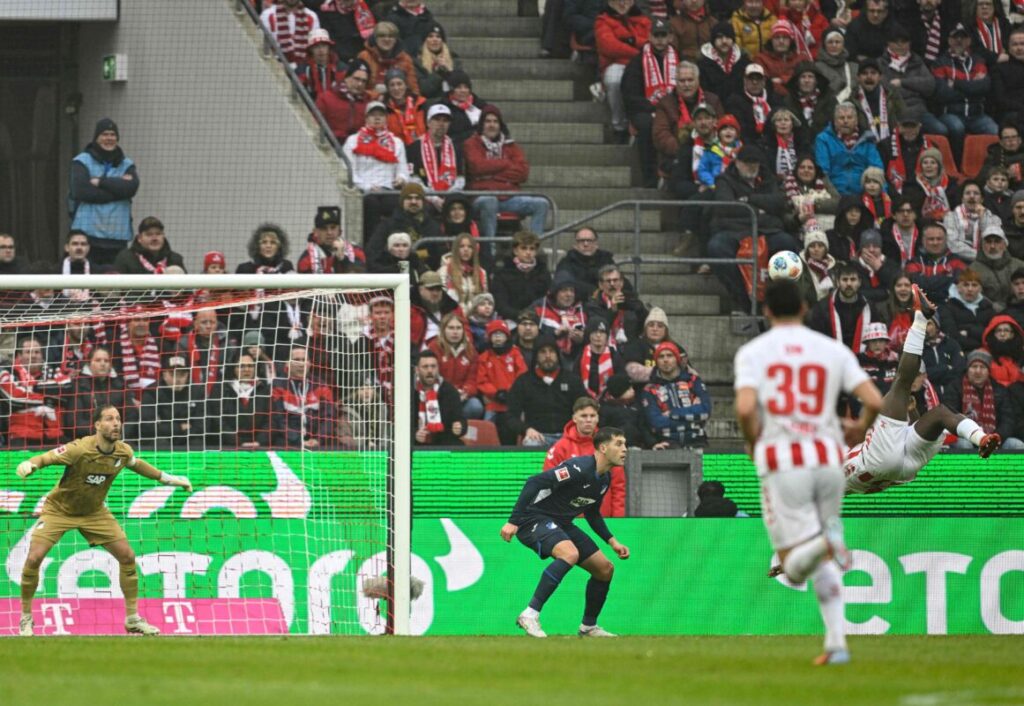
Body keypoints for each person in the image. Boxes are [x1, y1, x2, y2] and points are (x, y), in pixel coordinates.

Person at [734, 278, 884, 665]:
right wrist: (860, 428)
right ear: (805, 308)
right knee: (823, 559)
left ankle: (826, 542)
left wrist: (753, 443)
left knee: (792, 565)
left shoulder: (754, 352)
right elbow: (873, 400)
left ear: (766, 311)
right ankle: (836, 645)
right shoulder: (832, 349)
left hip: (784, 461)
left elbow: (747, 409)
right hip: (829, 458)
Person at [14, 404, 192, 636]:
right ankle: (26, 618)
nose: (116, 423)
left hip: (94, 513)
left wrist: (171, 479)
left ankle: (132, 619)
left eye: (118, 418)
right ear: (97, 425)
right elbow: (46, 457)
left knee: (127, 556)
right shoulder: (79, 449)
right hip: (59, 510)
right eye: (109, 419)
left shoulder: (122, 451)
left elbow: (139, 466)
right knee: (34, 558)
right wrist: (31, 464)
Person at [841, 288, 1004, 490]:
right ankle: (920, 318)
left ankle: (981, 438)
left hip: (901, 471)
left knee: (940, 414)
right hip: (876, 462)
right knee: (902, 383)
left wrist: (910, 411)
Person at [500, 427, 630, 638]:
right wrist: (513, 521)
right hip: (533, 518)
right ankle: (530, 614)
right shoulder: (578, 467)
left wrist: (612, 542)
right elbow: (534, 482)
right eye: (619, 444)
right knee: (569, 554)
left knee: (604, 569)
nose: (625, 449)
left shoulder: (604, 479)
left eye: (625, 444)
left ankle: (588, 627)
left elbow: (592, 513)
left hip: (561, 523)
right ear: (603, 447)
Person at [707, 144, 800, 312]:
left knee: (787, 245)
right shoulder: (724, 179)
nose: (751, 166)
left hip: (768, 230)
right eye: (746, 162)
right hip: (735, 232)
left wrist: (748, 200)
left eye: (754, 162)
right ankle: (744, 299)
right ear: (737, 163)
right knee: (717, 247)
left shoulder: (768, 178)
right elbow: (725, 207)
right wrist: (761, 211)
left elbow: (778, 203)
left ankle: (777, 299)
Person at [464, 106, 549, 241]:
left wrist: (491, 175)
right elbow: (477, 167)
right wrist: (506, 163)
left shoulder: (511, 145)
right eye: (488, 121)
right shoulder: (471, 143)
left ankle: (532, 249)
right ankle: (488, 253)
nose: (492, 125)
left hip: (508, 197)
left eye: (495, 121)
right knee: (489, 201)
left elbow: (523, 173)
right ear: (482, 124)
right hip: (480, 198)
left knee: (542, 203)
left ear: (500, 125)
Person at [68, 119, 140, 267]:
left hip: (117, 236)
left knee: (114, 284)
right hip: (88, 235)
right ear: (96, 137)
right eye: (104, 134)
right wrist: (118, 189)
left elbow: (131, 188)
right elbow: (82, 192)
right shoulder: (81, 161)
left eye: (113, 134)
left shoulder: (127, 164)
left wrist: (101, 182)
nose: (109, 138)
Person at [543, 396, 627, 517]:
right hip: (569, 521)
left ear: (597, 418)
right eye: (583, 416)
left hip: (603, 520)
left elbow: (618, 487)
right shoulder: (559, 449)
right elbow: (549, 486)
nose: (588, 420)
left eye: (592, 416)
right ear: (574, 418)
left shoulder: (610, 446)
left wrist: (618, 519)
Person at [621, 19, 679, 187]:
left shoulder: (679, 59)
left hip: (673, 108)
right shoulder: (637, 62)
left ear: (670, 37)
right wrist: (655, 109)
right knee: (648, 126)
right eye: (656, 35)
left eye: (664, 35)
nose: (660, 39)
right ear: (649, 37)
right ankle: (649, 177)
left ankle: (674, 172)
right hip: (645, 109)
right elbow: (630, 95)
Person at [505, 334, 589, 447]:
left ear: (557, 355)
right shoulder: (523, 381)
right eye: (543, 352)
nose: (548, 356)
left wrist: (576, 430)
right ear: (536, 356)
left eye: (551, 351)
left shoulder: (572, 380)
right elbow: (511, 416)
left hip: (568, 436)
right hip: (538, 436)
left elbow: (587, 409)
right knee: (531, 444)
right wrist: (526, 429)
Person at [931, 24, 998, 161]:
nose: (959, 41)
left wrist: (955, 84)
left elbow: (985, 87)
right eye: (955, 37)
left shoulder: (978, 61)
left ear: (969, 41)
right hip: (951, 113)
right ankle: (957, 166)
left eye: (963, 37)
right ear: (949, 40)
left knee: (994, 130)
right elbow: (942, 93)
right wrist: (972, 88)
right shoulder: (940, 63)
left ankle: (990, 167)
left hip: (977, 114)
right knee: (957, 128)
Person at [942, 349, 1024, 449]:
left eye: (982, 367)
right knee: (964, 445)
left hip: (995, 438)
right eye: (974, 366)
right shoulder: (955, 387)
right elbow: (951, 416)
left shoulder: (999, 389)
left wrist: (996, 436)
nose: (978, 371)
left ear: (989, 371)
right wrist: (974, 435)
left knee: (1016, 445)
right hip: (966, 436)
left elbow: (1008, 419)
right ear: (968, 369)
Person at [595, 0, 652, 143]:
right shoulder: (602, 20)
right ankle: (619, 127)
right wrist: (636, 51)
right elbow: (609, 46)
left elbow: (651, 42)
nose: (622, 3)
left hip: (642, 64)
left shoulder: (644, 20)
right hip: (617, 64)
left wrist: (632, 40)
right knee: (614, 79)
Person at [0, 336, 70, 447]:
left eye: (37, 352)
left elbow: (66, 388)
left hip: (54, 434)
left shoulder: (53, 371)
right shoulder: (8, 373)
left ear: (42, 355)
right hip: (21, 435)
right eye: (28, 352)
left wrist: (32, 388)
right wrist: (47, 400)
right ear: (19, 356)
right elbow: (13, 399)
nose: (33, 356)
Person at [640, 341, 711, 448]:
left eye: (670, 355)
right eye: (661, 357)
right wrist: (692, 420)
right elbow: (656, 423)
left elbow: (705, 411)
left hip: (697, 440)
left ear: (677, 359)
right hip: (667, 443)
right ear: (656, 361)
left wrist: (672, 413)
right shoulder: (649, 389)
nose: (665, 360)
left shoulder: (693, 381)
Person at [205, 354, 280, 449]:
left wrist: (259, 441)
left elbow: (271, 420)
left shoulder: (264, 389)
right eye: (241, 366)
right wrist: (238, 442)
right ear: (233, 368)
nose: (247, 370)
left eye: (250, 366)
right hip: (226, 446)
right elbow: (217, 420)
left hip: (259, 446)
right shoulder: (220, 389)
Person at [60, 346, 131, 441]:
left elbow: (131, 418)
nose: (102, 364)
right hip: (86, 442)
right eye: (98, 360)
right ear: (89, 364)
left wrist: (118, 433)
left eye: (106, 361)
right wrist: (103, 431)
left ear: (110, 365)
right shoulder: (78, 386)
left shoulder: (120, 386)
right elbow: (74, 423)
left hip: (117, 440)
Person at [272, 347, 336, 450]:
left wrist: (318, 439)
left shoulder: (321, 385)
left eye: (304, 360)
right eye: (297, 360)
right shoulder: (277, 385)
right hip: (287, 443)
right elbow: (278, 419)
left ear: (309, 363)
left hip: (317, 443)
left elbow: (329, 417)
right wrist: (298, 440)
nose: (301, 364)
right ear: (288, 363)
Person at [815, 102, 883, 197]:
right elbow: (823, 172)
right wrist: (834, 196)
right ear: (835, 121)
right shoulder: (823, 139)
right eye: (841, 118)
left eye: (849, 117)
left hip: (864, 194)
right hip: (834, 193)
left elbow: (877, 170)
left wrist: (883, 195)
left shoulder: (867, 139)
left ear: (856, 121)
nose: (845, 121)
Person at [476, 319, 527, 443]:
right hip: (493, 402)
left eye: (501, 334)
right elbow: (481, 380)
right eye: (494, 334)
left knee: (519, 426)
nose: (498, 337)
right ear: (489, 338)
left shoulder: (515, 354)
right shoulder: (484, 357)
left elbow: (522, 375)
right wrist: (495, 393)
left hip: (513, 401)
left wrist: (511, 392)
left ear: (507, 337)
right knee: (486, 428)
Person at [427, 312, 483, 420]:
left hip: (461, 398)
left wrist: (465, 392)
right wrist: (449, 394)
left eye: (458, 328)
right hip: (439, 396)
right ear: (443, 330)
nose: (455, 332)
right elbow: (430, 377)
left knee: (476, 406)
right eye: (451, 328)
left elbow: (472, 379)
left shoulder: (471, 351)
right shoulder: (434, 348)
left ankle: (459, 428)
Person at [490, 230, 552, 322]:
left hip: (539, 319)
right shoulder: (502, 273)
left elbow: (549, 300)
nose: (528, 252)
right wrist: (519, 315)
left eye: (532, 249)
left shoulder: (543, 273)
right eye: (524, 248)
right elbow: (500, 304)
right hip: (511, 319)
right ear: (515, 251)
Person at [407, 104, 464, 196]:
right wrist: (432, 198)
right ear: (428, 123)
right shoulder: (414, 147)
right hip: (423, 197)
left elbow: (461, 177)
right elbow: (412, 177)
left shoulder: (455, 147)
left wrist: (450, 196)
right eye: (437, 120)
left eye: (445, 121)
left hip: (450, 197)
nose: (441, 124)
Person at [412, 349, 466, 446]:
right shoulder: (409, 392)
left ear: (438, 368)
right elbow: (401, 426)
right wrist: (414, 434)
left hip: (443, 442)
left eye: (433, 366)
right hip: (416, 444)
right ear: (417, 369)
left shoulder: (449, 390)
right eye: (425, 367)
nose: (430, 370)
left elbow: (461, 420)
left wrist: (460, 427)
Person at [584, 264, 647, 344]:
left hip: (629, 348)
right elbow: (598, 326)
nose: (612, 284)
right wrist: (613, 310)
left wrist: (629, 305)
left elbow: (644, 325)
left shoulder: (632, 301)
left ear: (621, 283)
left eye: (615, 280)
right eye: (608, 281)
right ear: (600, 285)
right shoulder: (592, 304)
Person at [939, 268, 996, 353]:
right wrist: (980, 344)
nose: (970, 289)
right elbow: (952, 336)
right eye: (966, 285)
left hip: (987, 352)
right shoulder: (948, 308)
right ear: (958, 288)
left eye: (974, 285)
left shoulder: (988, 308)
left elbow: (993, 336)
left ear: (980, 289)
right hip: (959, 353)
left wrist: (969, 330)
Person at [358, 22, 420, 96]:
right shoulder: (364, 56)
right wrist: (375, 95)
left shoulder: (405, 59)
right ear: (375, 39)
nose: (387, 39)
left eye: (391, 36)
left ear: (396, 40)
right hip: (370, 101)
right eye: (382, 36)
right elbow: (358, 87)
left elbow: (413, 89)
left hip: (397, 102)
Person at [556, 228, 619, 300]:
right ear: (575, 245)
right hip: (576, 305)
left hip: (605, 305)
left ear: (596, 244)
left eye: (590, 241)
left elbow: (618, 283)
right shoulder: (567, 262)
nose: (586, 244)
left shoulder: (606, 260)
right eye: (581, 241)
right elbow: (566, 284)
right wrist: (596, 292)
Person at [317, 58, 371, 141]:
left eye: (364, 81)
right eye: (356, 79)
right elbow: (315, 126)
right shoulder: (326, 98)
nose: (360, 84)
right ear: (346, 77)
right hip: (331, 144)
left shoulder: (368, 104)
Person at [697, 22, 752, 104]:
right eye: (719, 37)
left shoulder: (743, 61)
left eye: (728, 37)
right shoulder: (703, 63)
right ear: (713, 40)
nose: (724, 41)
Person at [111, 216, 186, 275]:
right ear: (139, 238)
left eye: (158, 234)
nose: (154, 238)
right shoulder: (125, 258)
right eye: (149, 234)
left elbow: (187, 292)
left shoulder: (175, 259)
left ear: (163, 236)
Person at [972, 227, 1024, 308]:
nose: (992, 246)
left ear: (1004, 245)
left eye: (997, 241)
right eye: (988, 242)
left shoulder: (1019, 265)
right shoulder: (973, 270)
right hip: (989, 313)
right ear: (982, 245)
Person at [260, 0, 320, 66]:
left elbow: (315, 47)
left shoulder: (312, 16)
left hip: (302, 66)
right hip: (275, 65)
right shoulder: (267, 15)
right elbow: (263, 45)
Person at [296, 28, 345, 101]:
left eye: (324, 46)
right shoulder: (302, 70)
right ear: (310, 49)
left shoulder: (341, 68)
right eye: (316, 46)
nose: (321, 50)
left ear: (329, 47)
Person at [414, 24, 460, 100]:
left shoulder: (454, 59)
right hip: (430, 102)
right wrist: (438, 72)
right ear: (425, 40)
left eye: (438, 36)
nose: (434, 39)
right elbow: (425, 89)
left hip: (453, 101)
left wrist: (449, 71)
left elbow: (460, 85)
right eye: (430, 36)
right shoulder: (418, 62)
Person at [381, 68, 426, 146]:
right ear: (387, 88)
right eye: (392, 85)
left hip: (422, 149)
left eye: (399, 84)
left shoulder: (420, 104)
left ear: (406, 85)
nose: (396, 88)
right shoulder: (385, 109)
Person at [815, 29, 857, 101]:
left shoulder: (853, 67)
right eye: (830, 42)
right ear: (824, 45)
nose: (834, 45)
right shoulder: (816, 67)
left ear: (843, 44)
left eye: (837, 42)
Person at [983, 315, 1024, 386]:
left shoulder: (1021, 355)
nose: (1002, 334)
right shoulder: (983, 355)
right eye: (998, 331)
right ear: (993, 333)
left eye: (1006, 330)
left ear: (1012, 334)